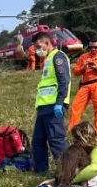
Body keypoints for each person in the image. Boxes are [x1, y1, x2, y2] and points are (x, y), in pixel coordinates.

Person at [30, 31, 70, 174]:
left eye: (38, 46)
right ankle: (40, 171)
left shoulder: (58, 57)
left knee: (56, 140)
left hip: (54, 106)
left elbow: (64, 80)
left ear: (47, 43)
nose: (37, 50)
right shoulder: (48, 59)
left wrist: (60, 102)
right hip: (43, 107)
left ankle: (67, 172)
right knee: (38, 141)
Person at [68, 39, 97, 133]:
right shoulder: (83, 57)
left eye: (95, 47)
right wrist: (83, 68)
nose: (93, 49)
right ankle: (72, 130)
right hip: (85, 85)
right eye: (90, 47)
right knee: (75, 107)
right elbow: (75, 71)